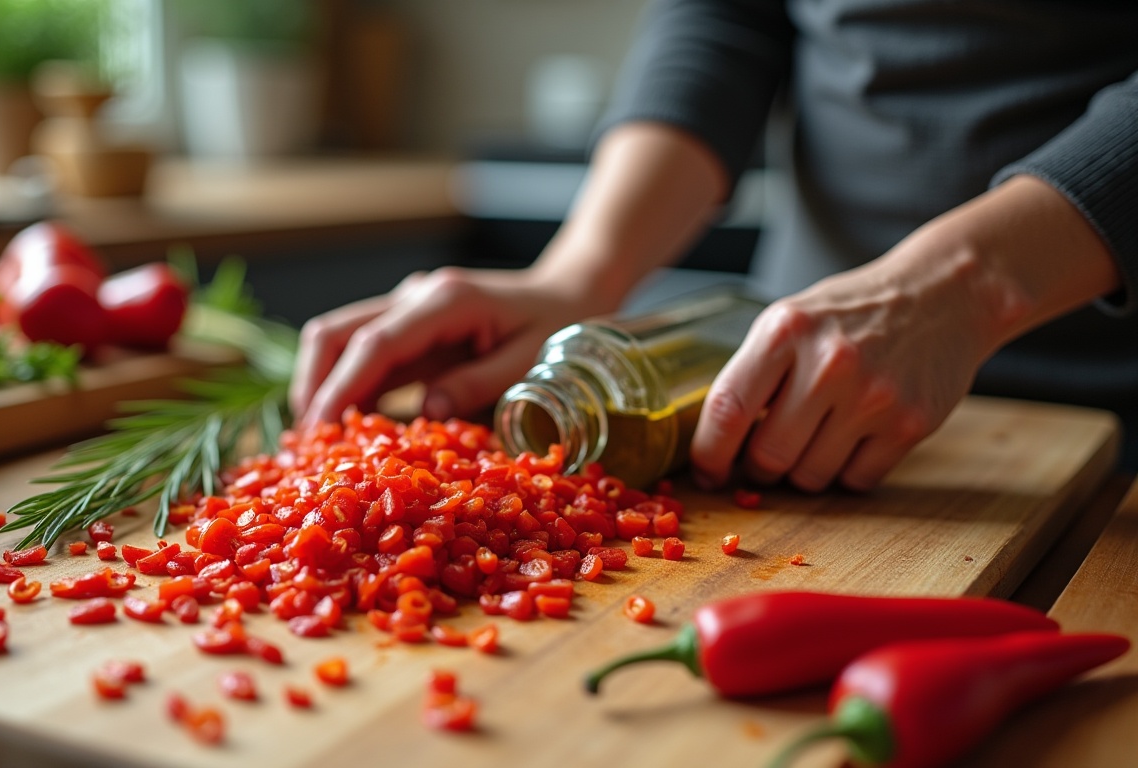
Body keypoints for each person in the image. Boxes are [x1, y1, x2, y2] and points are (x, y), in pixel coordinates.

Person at [290, 0, 1138, 489]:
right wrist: (579, 274)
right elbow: (725, 19)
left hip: (1110, 403)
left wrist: (968, 283)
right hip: (791, 387)